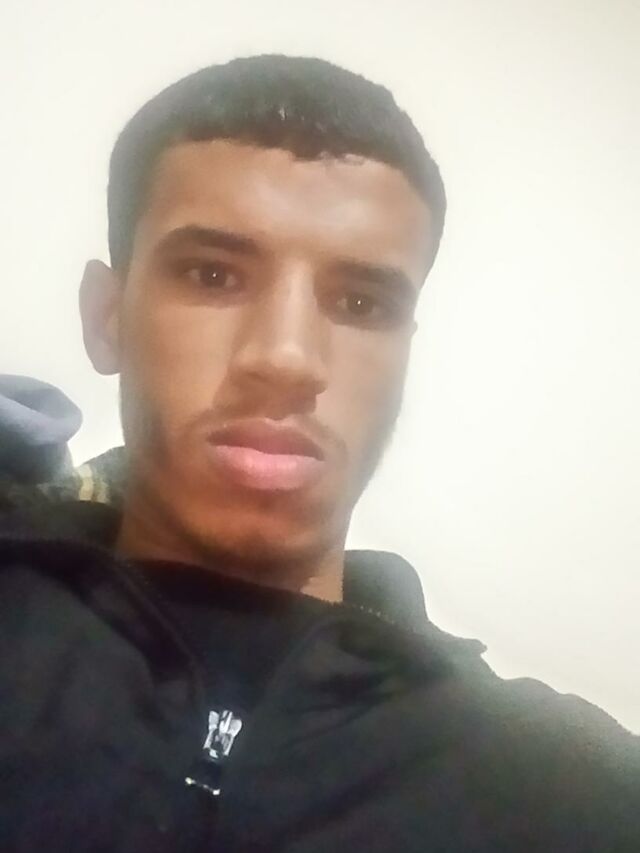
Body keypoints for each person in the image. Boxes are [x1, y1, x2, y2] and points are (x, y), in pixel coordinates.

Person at [0, 55, 637, 853]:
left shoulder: (571, 799)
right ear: (107, 317)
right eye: (212, 274)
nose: (287, 357)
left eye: (361, 302)